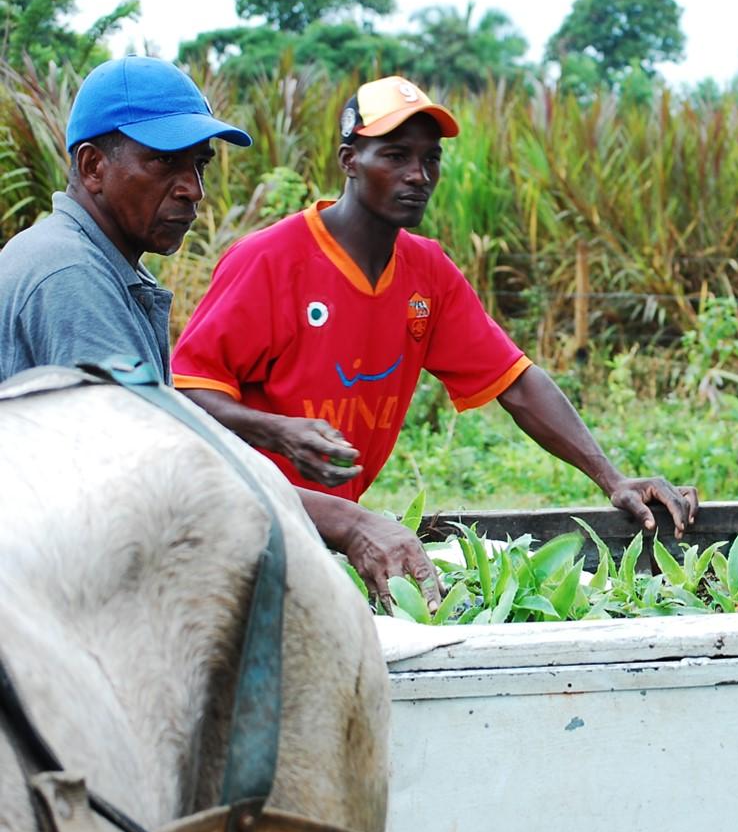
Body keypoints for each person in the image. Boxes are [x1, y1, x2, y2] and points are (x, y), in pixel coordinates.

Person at [171, 75, 697, 541]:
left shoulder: (427, 271)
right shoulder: (271, 260)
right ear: (350, 160)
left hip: (331, 530)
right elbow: (188, 394)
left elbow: (515, 383)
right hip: (242, 520)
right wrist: (278, 431)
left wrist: (613, 478)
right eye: (396, 155)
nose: (418, 175)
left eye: (430, 159)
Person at [0, 56, 438, 607]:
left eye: (199, 165)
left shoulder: (104, 266)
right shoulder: (70, 277)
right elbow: (152, 480)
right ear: (92, 167)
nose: (193, 190)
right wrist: (345, 521)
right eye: (164, 163)